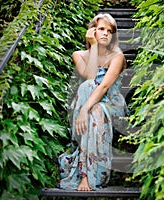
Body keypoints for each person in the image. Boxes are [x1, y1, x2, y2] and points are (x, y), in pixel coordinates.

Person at [58, 13, 129, 191]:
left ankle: (86, 175)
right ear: (92, 31)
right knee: (90, 96)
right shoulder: (79, 55)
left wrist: (83, 111)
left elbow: (103, 86)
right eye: (101, 29)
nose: (105, 33)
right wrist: (94, 47)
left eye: (110, 31)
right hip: (88, 103)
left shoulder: (117, 56)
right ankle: (88, 174)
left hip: (111, 104)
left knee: (95, 110)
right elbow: (90, 78)